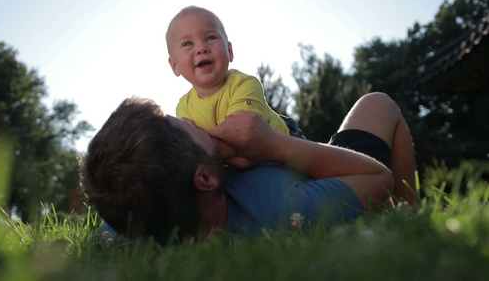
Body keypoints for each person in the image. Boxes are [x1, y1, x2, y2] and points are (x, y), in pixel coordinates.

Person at [80, 92, 417, 244]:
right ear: (205, 178)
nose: (189, 120)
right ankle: (411, 218)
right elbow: (379, 178)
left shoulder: (129, 219)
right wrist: (277, 144)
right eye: (187, 128)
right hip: (317, 172)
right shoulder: (287, 210)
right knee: (379, 104)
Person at [166, 6, 305, 139]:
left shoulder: (244, 85)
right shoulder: (184, 107)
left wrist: (202, 144)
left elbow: (241, 137)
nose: (201, 48)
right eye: (188, 44)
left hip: (285, 142)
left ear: (229, 51)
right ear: (175, 66)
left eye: (210, 38)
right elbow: (195, 146)